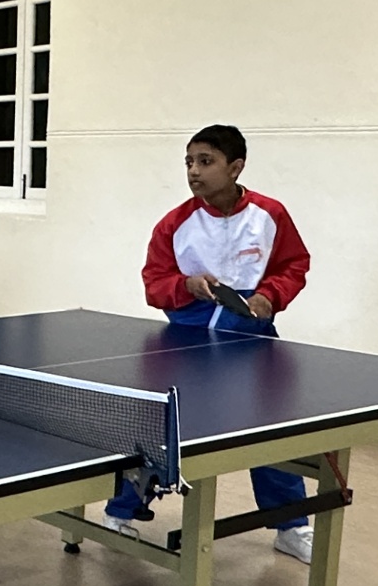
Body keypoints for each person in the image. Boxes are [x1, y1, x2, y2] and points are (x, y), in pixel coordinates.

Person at [104, 124, 317, 562]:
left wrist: (270, 295)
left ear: (235, 168)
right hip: (186, 346)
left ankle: (291, 526)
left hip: (251, 342)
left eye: (206, 162)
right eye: (189, 162)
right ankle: (120, 512)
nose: (194, 171)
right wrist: (186, 285)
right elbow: (154, 284)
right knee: (160, 435)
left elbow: (294, 265)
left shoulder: (270, 215)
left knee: (271, 436)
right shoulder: (174, 224)